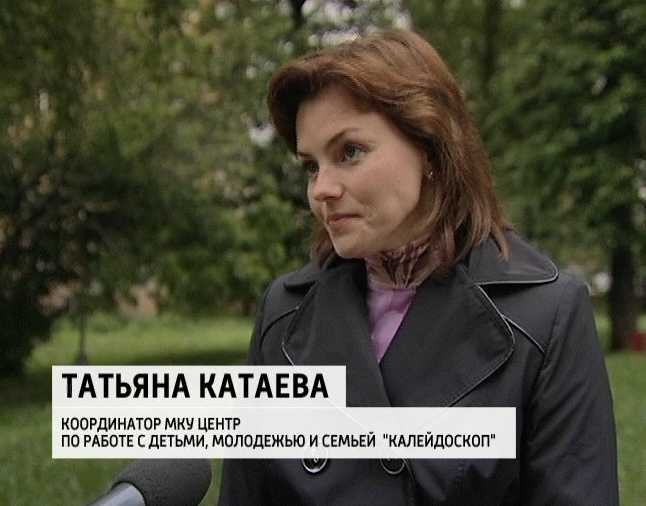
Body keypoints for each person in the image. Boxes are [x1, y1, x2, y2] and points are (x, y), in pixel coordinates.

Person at [218, 30, 618, 505]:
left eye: (350, 152)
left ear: (429, 148)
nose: (321, 188)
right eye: (312, 166)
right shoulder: (283, 313)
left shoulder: (546, 315)